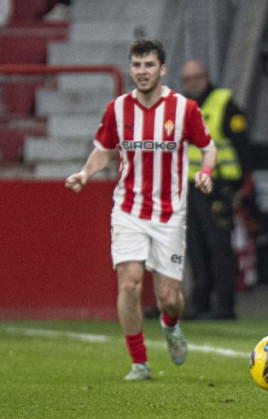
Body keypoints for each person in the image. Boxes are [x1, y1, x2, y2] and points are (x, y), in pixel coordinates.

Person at [65, 39, 216, 381]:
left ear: (162, 69)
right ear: (130, 68)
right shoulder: (117, 109)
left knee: (169, 298)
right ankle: (139, 362)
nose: (142, 72)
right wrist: (85, 173)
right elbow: (104, 150)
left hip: (169, 214)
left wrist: (205, 174)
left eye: (149, 65)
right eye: (136, 65)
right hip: (128, 209)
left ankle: (170, 324)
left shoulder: (184, 109)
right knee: (130, 285)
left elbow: (208, 148)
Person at [180, 60, 248, 320]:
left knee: (219, 247)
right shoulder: (183, 107)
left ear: (206, 77)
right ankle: (200, 303)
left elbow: (243, 146)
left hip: (218, 186)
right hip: (190, 186)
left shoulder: (224, 102)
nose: (192, 83)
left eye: (196, 77)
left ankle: (225, 305)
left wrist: (239, 187)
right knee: (195, 248)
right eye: (187, 79)